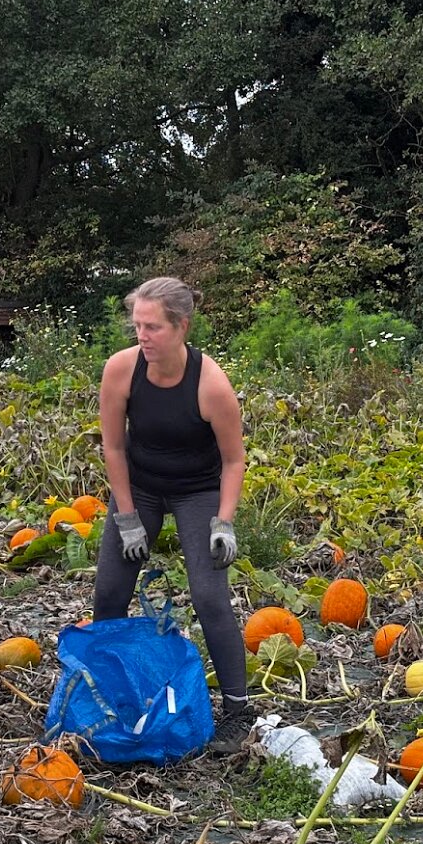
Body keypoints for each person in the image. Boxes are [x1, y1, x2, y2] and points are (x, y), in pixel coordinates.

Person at [93, 276, 252, 755]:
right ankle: (110, 696)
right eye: (137, 326)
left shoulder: (211, 385)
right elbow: (115, 447)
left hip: (197, 491)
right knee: (110, 589)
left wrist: (223, 522)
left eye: (153, 327)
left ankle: (239, 711)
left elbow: (233, 460)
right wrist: (126, 516)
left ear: (181, 326)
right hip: (140, 486)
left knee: (209, 595)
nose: (141, 336)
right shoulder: (121, 370)